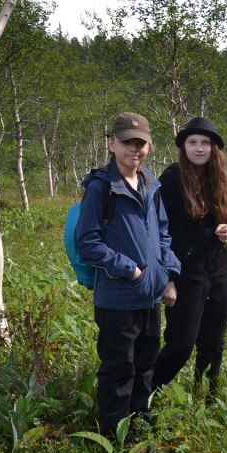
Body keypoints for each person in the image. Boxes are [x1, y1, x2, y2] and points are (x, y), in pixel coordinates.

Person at [76, 112, 181, 435]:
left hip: (150, 297)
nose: (133, 149)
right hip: (118, 299)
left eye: (140, 143)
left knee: (145, 366)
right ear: (112, 144)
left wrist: (168, 275)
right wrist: (131, 271)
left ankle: (140, 424)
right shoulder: (101, 188)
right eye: (126, 143)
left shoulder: (151, 182)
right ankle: (113, 436)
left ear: (148, 146)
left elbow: (163, 232)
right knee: (118, 369)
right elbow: (87, 242)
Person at [150, 116, 227, 395]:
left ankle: (208, 398)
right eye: (192, 142)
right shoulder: (172, 179)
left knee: (213, 341)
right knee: (181, 343)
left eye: (205, 143)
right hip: (185, 272)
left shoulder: (217, 178)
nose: (199, 148)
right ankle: (145, 394)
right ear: (183, 147)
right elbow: (158, 231)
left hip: (218, 269)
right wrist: (168, 279)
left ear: (214, 149)